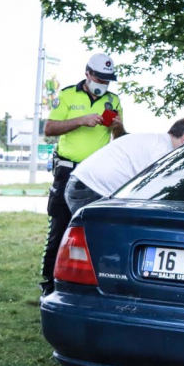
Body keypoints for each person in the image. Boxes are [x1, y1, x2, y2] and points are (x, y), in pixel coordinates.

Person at [40, 52, 125, 295]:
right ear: (87, 74)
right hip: (68, 171)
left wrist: (118, 127)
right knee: (60, 229)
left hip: (99, 175)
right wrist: (81, 120)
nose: (103, 84)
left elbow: (120, 139)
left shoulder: (114, 100)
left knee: (95, 231)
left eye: (108, 80)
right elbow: (49, 128)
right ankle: (48, 286)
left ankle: (90, 286)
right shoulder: (67, 94)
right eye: (100, 78)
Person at [65, 118, 184, 214]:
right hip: (90, 188)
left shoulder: (156, 140)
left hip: (86, 184)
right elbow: (155, 191)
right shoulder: (162, 150)